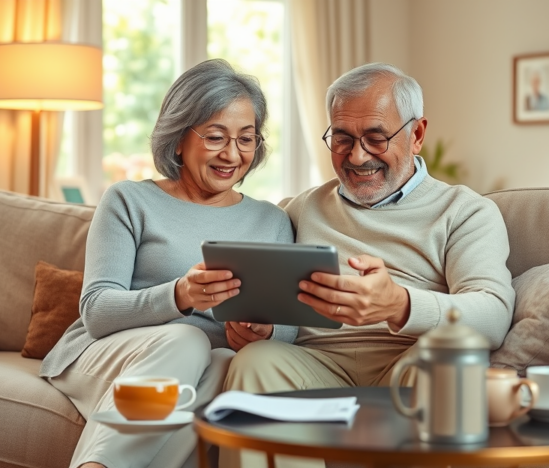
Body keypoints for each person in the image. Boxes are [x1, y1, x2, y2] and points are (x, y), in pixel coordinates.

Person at [221, 63, 515, 467]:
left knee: (444, 364)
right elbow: (270, 297)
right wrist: (257, 326)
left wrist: (399, 304)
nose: (358, 156)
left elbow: (494, 315)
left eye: (376, 138)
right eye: (342, 139)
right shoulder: (300, 209)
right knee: (255, 362)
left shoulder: (465, 212)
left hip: (409, 364)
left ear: (417, 135)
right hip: (316, 365)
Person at [40, 58, 297, 468]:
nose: (232, 153)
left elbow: (288, 331)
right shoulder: (129, 200)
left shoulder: (272, 221)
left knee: (224, 365)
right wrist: (179, 295)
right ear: (178, 138)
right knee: (188, 339)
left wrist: (264, 332)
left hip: (201, 367)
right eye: (216, 137)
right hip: (107, 353)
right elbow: (97, 312)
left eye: (246, 139)